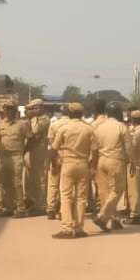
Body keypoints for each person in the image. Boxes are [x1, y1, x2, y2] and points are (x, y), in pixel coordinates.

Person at [50, 102, 94, 239]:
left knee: (66, 196)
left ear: (69, 113)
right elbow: (95, 151)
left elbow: (54, 148)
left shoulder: (64, 128)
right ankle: (79, 228)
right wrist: (92, 167)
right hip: (83, 164)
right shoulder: (89, 129)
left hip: (68, 163)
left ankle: (67, 228)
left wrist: (53, 165)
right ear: (82, 113)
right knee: (81, 198)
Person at [91, 103, 131, 231]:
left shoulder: (99, 127)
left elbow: (94, 148)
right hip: (115, 160)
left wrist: (93, 164)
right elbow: (128, 148)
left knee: (104, 192)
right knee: (117, 190)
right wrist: (131, 161)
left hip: (100, 161)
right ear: (119, 113)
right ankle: (102, 217)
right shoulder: (122, 127)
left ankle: (114, 219)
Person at [0, 104, 31, 216]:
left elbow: (29, 138)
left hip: (16, 156)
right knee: (5, 183)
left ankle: (20, 207)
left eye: (11, 110)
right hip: (4, 156)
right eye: (6, 110)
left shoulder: (22, 125)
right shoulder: (1, 124)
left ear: (15, 112)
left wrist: (23, 151)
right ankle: (8, 207)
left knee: (17, 183)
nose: (8, 112)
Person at [24, 99, 50, 216]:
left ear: (42, 108)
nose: (33, 110)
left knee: (40, 179)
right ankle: (33, 203)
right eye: (32, 108)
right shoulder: (34, 119)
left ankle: (41, 205)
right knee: (31, 179)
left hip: (40, 152)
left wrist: (28, 120)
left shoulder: (44, 120)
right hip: (32, 152)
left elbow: (33, 133)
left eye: (36, 108)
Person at [45, 104, 69, 219]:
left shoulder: (54, 125)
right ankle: (63, 209)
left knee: (53, 183)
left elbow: (50, 144)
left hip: (56, 155)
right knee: (66, 186)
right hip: (69, 157)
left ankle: (50, 209)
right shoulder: (75, 125)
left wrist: (52, 160)